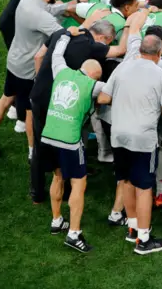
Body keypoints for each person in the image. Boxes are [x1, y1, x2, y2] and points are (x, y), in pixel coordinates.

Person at [97, 34, 162, 254]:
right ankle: (144, 240)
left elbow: (103, 98)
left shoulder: (122, 68)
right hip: (143, 139)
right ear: (160, 52)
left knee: (125, 181)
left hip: (119, 134)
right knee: (144, 188)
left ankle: (133, 229)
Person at [29, 18, 126, 203]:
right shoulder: (92, 46)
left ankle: (37, 193)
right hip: (58, 101)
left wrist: (41, 79)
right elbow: (120, 50)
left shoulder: (62, 33)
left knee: (39, 146)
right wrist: (130, 26)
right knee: (67, 142)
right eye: (107, 41)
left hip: (38, 95)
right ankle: (65, 189)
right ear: (102, 37)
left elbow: (38, 56)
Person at [0, 0, 68, 158]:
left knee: (5, 99)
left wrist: (71, 5)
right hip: (28, 70)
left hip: (13, 61)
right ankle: (32, 153)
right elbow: (63, 35)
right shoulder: (41, 17)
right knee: (30, 112)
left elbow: (47, 10)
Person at [41, 31, 105, 253]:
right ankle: (74, 234)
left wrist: (67, 34)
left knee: (57, 176)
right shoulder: (93, 86)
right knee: (79, 183)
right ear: (94, 76)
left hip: (47, 136)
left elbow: (57, 52)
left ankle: (57, 220)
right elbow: (112, 93)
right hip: (69, 140)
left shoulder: (61, 71)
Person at [74, 0, 140, 44]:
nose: (138, 8)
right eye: (136, 5)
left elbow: (69, 8)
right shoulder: (122, 25)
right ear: (127, 8)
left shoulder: (98, 7)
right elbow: (123, 49)